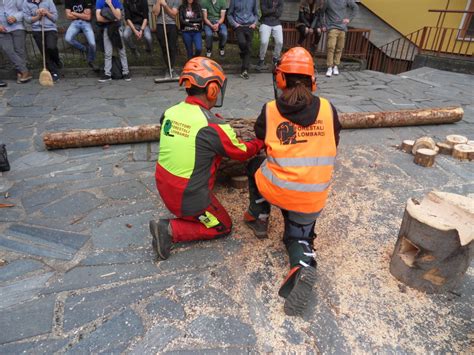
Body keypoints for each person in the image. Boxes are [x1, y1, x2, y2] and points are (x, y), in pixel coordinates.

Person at [244, 47, 341, 316]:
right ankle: (302, 264)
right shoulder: (328, 109)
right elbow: (335, 143)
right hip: (311, 199)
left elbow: (262, 144)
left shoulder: (270, 109)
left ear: (281, 80)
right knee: (298, 236)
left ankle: (259, 216)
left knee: (254, 165)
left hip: (277, 189)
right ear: (313, 81)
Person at [150, 57, 264, 260]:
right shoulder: (211, 125)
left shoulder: (170, 112)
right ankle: (169, 230)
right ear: (212, 89)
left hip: (163, 184)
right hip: (188, 196)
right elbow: (241, 152)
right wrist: (260, 142)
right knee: (222, 226)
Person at [23, 0, 61, 82]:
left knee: (51, 47)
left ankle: (57, 60)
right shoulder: (26, 3)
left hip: (50, 28)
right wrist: (38, 16)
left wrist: (46, 12)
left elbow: (55, 18)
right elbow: (27, 19)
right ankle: (53, 72)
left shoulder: (49, 1)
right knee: (44, 52)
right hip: (37, 30)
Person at [96, 0, 131, 82]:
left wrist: (110, 5)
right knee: (108, 52)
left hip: (117, 28)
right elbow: (98, 18)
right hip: (106, 29)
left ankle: (126, 72)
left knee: (121, 51)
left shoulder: (115, 1)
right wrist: (113, 19)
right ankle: (107, 74)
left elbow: (118, 17)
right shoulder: (99, 1)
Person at [323, 0, 358, 77]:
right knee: (331, 47)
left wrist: (349, 19)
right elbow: (322, 13)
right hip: (332, 27)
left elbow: (355, 7)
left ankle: (335, 66)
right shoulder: (328, 2)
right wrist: (324, 25)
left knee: (339, 48)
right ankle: (329, 67)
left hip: (342, 28)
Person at [0, 0, 32, 84]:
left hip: (17, 26)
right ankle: (25, 71)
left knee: (19, 50)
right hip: (2, 28)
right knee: (8, 50)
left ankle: (20, 73)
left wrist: (15, 17)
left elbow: (24, 10)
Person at [227, 0, 258, 80]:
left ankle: (244, 70)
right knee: (242, 43)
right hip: (239, 26)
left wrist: (254, 23)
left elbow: (256, 14)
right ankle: (243, 54)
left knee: (248, 47)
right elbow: (229, 14)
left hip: (250, 26)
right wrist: (235, 24)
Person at [152, 0, 179, 80]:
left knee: (172, 47)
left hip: (171, 25)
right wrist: (159, 2)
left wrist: (165, 5)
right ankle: (168, 68)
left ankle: (172, 68)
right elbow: (156, 13)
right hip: (160, 24)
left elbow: (173, 15)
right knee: (164, 47)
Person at [64, 0, 96, 68]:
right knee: (68, 38)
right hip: (74, 23)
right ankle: (84, 49)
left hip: (86, 23)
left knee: (92, 44)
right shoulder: (68, 1)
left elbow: (88, 17)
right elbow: (68, 16)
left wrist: (73, 13)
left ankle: (91, 60)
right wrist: (82, 15)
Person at [256, 0, 283, 71]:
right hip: (265, 22)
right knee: (264, 41)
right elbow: (264, 12)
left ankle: (275, 58)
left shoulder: (280, 1)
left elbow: (279, 14)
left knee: (280, 42)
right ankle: (261, 59)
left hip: (276, 23)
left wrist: (270, 11)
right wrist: (274, 9)